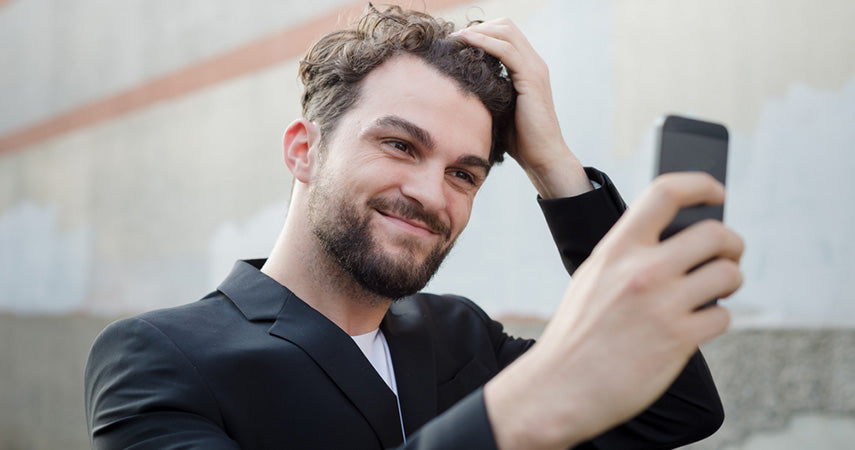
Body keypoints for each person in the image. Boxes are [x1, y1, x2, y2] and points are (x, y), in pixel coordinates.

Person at [84, 5, 743, 449]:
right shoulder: (156, 358)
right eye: (400, 145)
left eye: (464, 173)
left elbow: (678, 409)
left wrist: (554, 167)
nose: (430, 193)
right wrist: (516, 412)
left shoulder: (461, 335)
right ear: (302, 150)